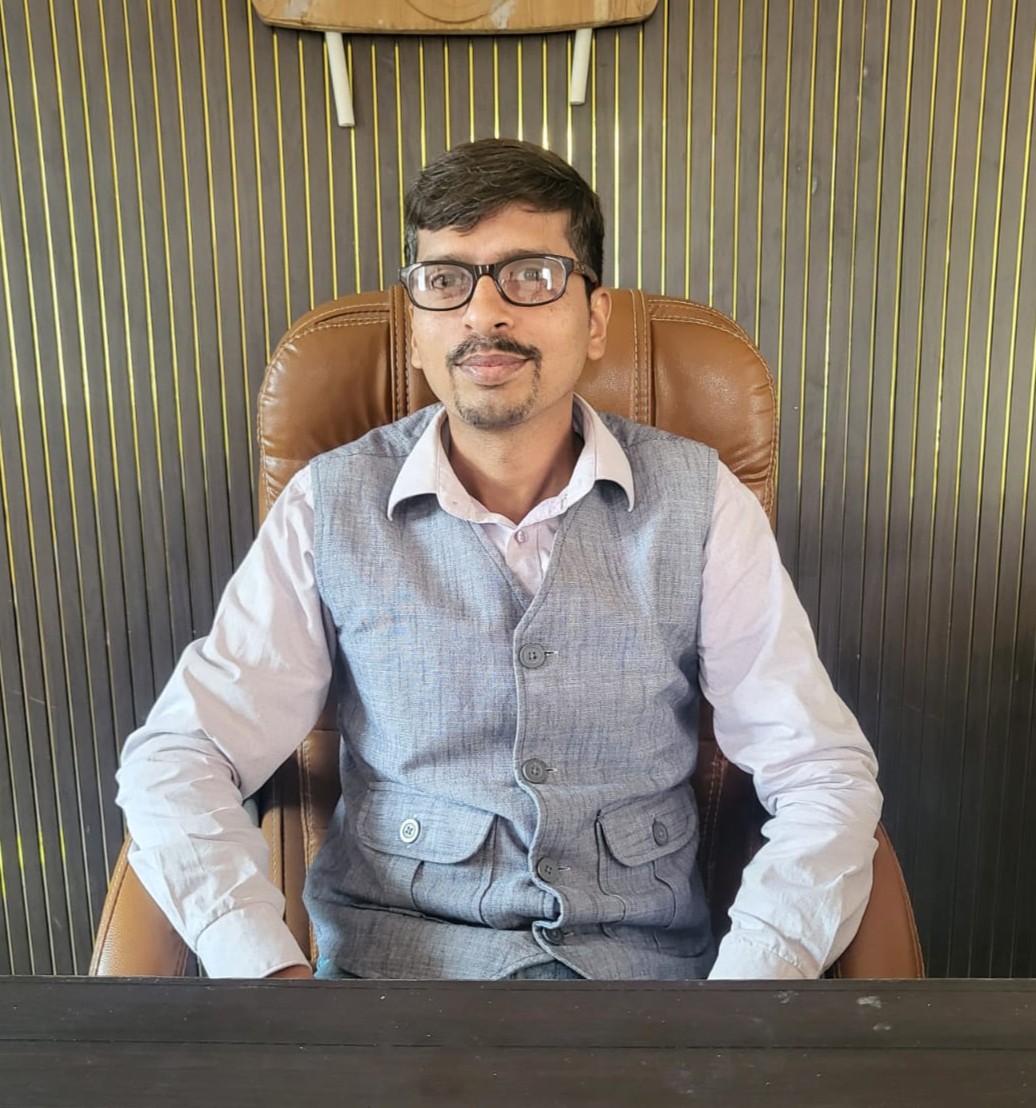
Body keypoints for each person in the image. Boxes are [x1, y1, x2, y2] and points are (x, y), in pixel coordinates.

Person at [117, 138, 881, 983]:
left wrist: (748, 997)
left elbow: (820, 770)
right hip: (387, 995)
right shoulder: (326, 505)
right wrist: (271, 980)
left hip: (644, 996)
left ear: (595, 319)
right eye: (446, 280)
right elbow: (181, 756)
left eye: (531, 275)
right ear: (416, 327)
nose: (484, 314)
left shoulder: (702, 503)